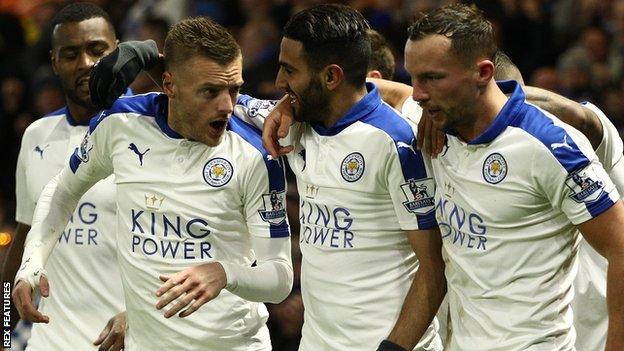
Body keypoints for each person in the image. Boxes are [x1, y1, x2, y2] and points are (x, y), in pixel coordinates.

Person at [87, 6, 446, 350]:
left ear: (331, 77)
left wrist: (393, 349)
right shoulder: (292, 125)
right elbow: (207, 92)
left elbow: (433, 272)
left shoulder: (401, 141)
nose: (277, 83)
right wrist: (153, 59)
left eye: (289, 71)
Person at [12, 16, 293, 351]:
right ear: (169, 85)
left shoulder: (257, 150)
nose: (227, 106)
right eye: (211, 91)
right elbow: (59, 193)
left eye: (234, 89)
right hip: (73, 338)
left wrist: (224, 273)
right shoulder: (115, 126)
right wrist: (29, 267)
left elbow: (280, 278)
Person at [403, 4, 624, 350]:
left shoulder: (550, 145)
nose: (418, 93)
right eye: (414, 78)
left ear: (483, 72)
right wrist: (289, 107)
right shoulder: (440, 123)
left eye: (432, 78)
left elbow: (622, 245)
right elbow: (369, 90)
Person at [1, 3, 128, 350]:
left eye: (97, 50)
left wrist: (138, 315)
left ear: (117, 49)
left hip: (129, 339)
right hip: (50, 340)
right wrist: (2, 329)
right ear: (55, 61)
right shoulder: (37, 136)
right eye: (71, 54)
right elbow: (26, 233)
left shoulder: (155, 133)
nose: (86, 64)